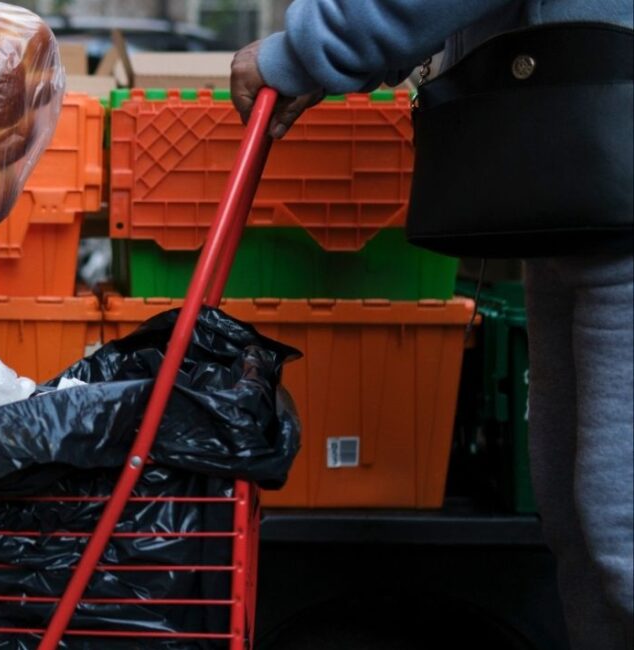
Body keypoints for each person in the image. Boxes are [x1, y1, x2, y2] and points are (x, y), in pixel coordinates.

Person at [229, 1, 633, 648]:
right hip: (580, 177)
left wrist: (304, 51)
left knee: (619, 530)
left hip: (605, 162)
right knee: (582, 532)